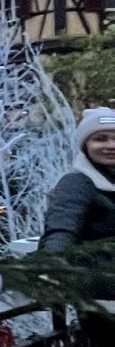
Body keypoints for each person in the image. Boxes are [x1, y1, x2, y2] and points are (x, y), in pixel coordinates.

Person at [41, 108, 115, 257]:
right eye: (100, 139)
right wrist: (52, 264)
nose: (111, 145)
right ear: (85, 145)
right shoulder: (76, 184)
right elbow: (61, 231)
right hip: (93, 268)